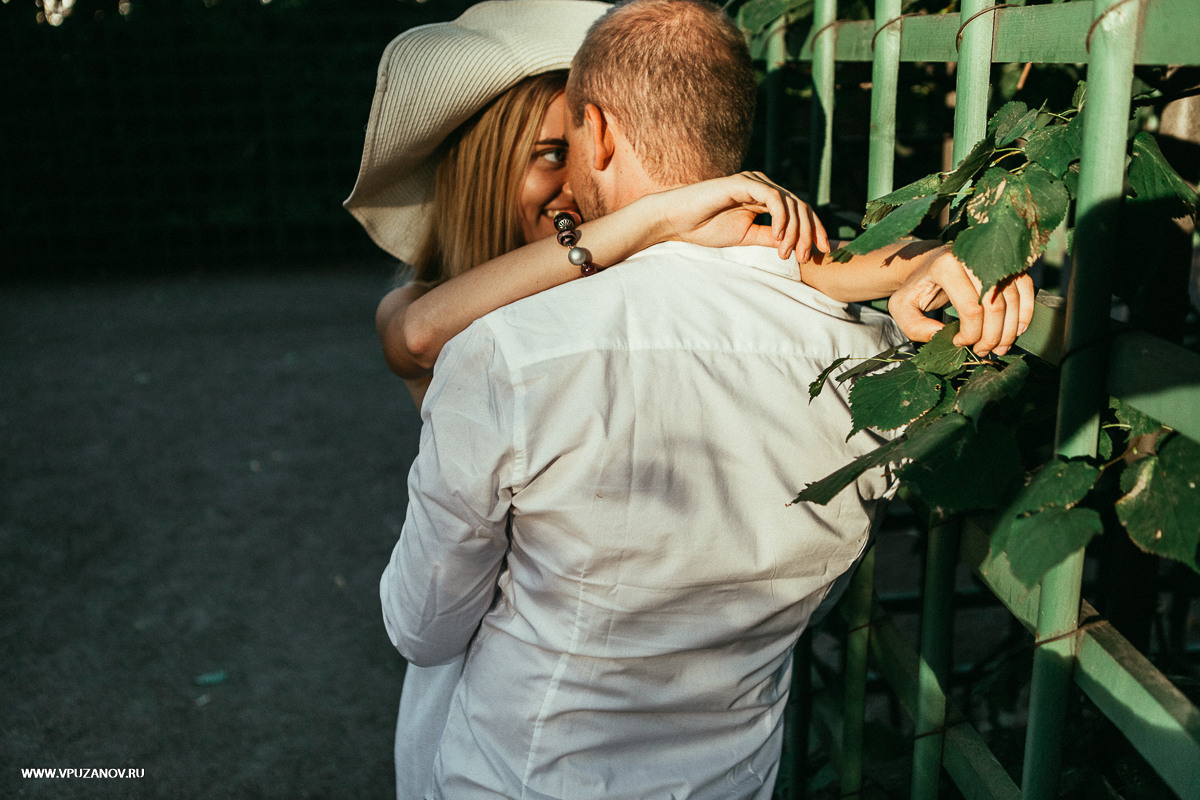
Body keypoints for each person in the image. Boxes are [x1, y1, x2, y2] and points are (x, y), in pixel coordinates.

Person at [377, 1, 1033, 798]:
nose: (570, 187)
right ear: (485, 165)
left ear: (602, 137)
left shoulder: (569, 322)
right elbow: (416, 337)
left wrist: (935, 259)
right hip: (621, 746)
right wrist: (659, 214)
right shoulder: (440, 308)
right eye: (547, 154)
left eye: (572, 149)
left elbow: (827, 268)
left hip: (523, 746)